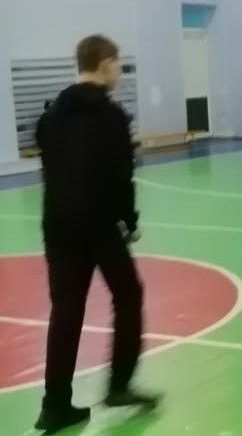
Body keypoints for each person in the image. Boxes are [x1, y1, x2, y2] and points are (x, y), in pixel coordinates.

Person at [35, 35, 159, 434]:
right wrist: (131, 221)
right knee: (128, 294)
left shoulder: (51, 115)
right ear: (105, 64)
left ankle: (55, 405)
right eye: (118, 63)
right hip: (99, 224)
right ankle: (119, 386)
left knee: (66, 310)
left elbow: (52, 168)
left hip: (58, 225)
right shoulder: (112, 116)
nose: (119, 71)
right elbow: (122, 177)